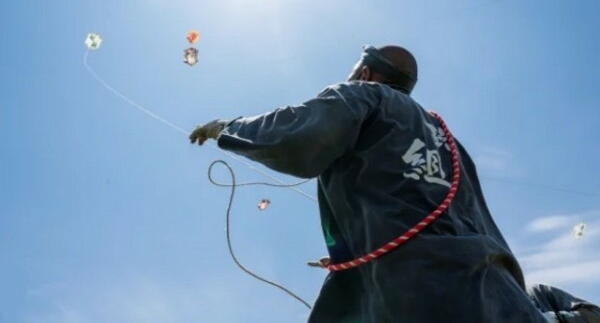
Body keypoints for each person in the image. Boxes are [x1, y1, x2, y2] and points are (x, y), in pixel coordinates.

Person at [189, 45, 548, 322]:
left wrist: (226, 127)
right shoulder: (452, 144)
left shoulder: (362, 95)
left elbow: (296, 135)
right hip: (500, 298)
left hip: (414, 298)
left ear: (364, 71)